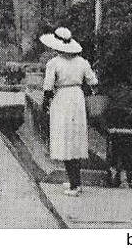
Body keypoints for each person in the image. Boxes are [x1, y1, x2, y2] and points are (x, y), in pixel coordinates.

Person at [40, 26, 98, 197]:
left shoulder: (54, 63)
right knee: (75, 137)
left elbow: (49, 87)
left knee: (65, 138)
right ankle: (75, 181)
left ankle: (74, 184)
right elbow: (93, 82)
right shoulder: (82, 62)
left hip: (63, 99)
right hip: (77, 98)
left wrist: (46, 102)